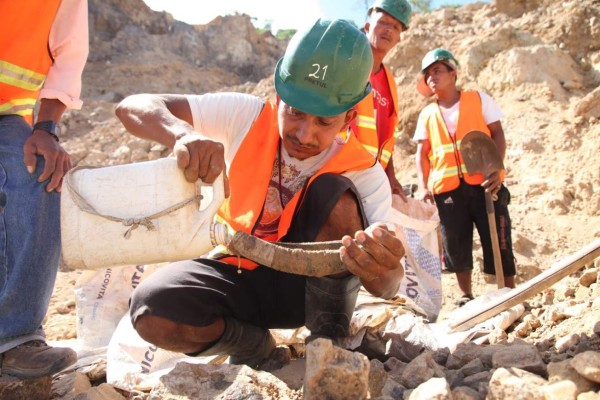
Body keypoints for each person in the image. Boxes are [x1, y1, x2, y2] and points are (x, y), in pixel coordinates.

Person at [115, 19, 405, 369]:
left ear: (347, 119)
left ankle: (327, 343)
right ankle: (252, 345)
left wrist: (379, 263)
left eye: (324, 121)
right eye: (294, 112)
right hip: (235, 271)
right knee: (152, 310)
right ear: (279, 94)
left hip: (307, 293)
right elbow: (133, 106)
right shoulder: (244, 116)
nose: (303, 133)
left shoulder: (365, 173)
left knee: (335, 194)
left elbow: (387, 287)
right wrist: (181, 134)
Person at [0, 1, 89, 378]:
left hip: (6, 115)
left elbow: (69, 52)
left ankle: (15, 338)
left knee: (39, 172)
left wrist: (46, 128)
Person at [413, 48, 516, 307]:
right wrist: (424, 186)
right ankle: (465, 296)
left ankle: (510, 292)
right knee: (455, 241)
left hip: (484, 182)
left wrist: (496, 169)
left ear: (453, 73)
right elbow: (421, 154)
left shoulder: (478, 99)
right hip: (447, 189)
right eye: (427, 75)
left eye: (437, 70)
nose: (431, 77)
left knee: (498, 238)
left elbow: (498, 133)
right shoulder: (427, 114)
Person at [352, 0, 412, 199]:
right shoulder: (349, 64)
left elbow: (385, 138)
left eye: (395, 27)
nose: (388, 30)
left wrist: (390, 176)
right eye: (383, 22)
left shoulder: (390, 83)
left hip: (372, 179)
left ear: (399, 39)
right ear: (368, 27)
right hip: (341, 173)